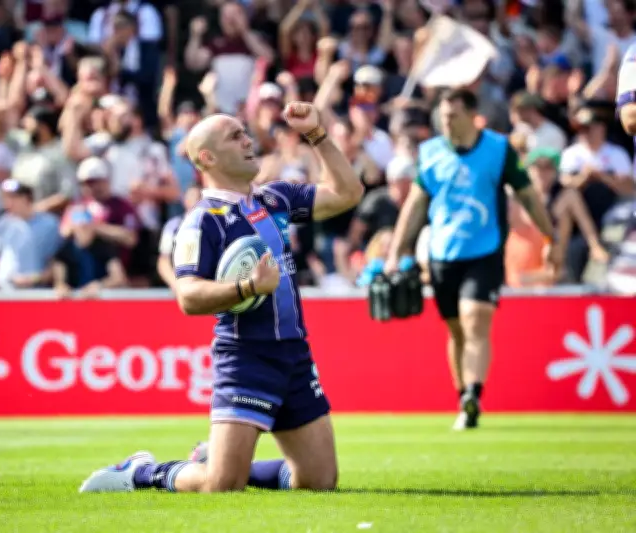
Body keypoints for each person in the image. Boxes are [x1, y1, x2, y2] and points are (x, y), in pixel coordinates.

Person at [78, 102, 363, 493]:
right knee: (222, 486)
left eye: (245, 132)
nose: (248, 140)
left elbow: (348, 192)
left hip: (294, 353)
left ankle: (221, 457)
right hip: (246, 355)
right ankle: (142, 473)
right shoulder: (202, 220)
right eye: (235, 136)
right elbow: (189, 296)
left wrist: (316, 134)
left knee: (318, 482)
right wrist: (246, 288)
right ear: (207, 157)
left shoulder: (275, 198)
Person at [385, 89, 559, 431]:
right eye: (442, 116)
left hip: (486, 249)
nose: (445, 122)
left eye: (452, 115)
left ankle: (475, 395)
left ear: (471, 115)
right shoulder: (431, 152)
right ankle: (463, 396)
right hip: (442, 254)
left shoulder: (498, 149)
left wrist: (549, 235)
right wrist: (396, 251)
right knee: (456, 330)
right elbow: (415, 206)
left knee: (474, 318)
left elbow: (527, 195)